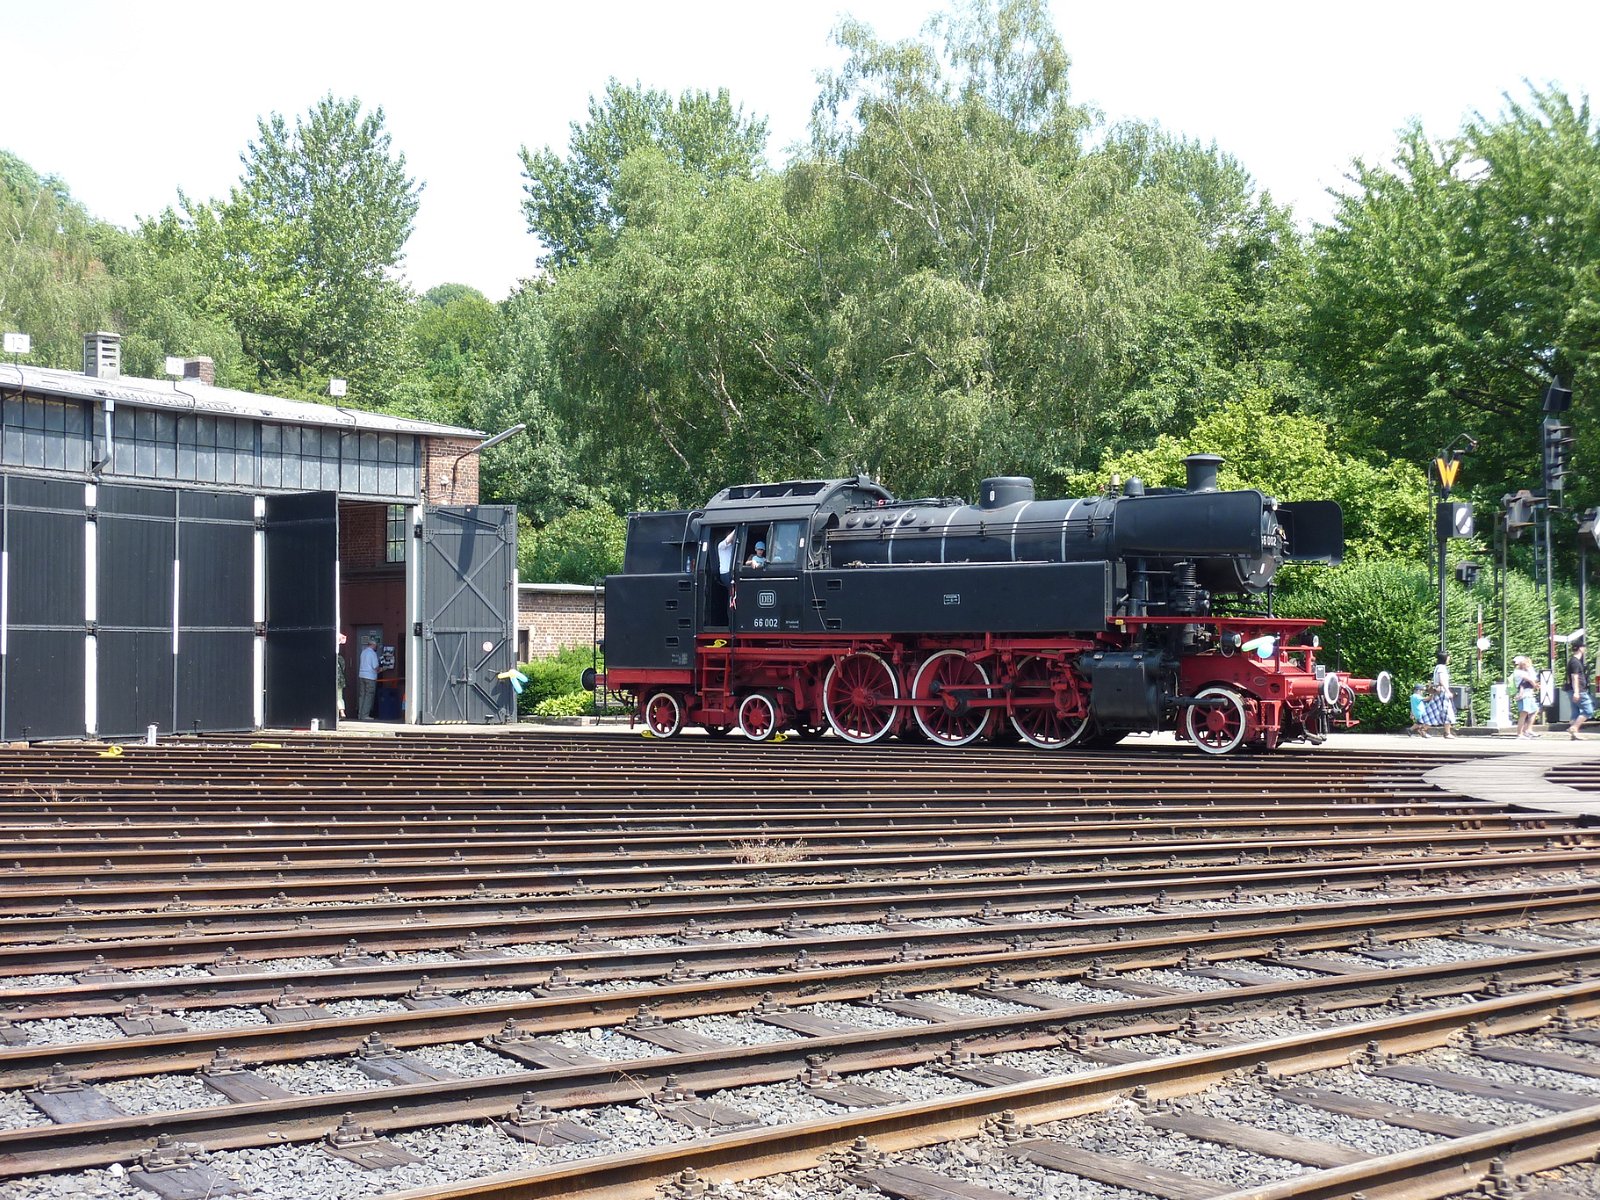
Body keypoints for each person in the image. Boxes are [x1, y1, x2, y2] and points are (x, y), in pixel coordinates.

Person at [1424, 651, 1457, 738]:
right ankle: (1423, 729)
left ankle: (1447, 732)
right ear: (1444, 658)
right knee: (1442, 712)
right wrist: (1448, 691)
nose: (1449, 658)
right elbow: (1442, 681)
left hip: (1440, 693)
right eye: (1448, 657)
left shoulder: (1438, 667)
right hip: (1442, 693)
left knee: (1437, 712)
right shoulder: (1441, 668)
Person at [1568, 634, 1592, 740]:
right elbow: (1575, 677)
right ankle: (1574, 727)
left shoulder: (1573, 661)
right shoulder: (1575, 662)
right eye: (1584, 647)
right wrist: (1577, 692)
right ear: (1580, 648)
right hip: (1579, 690)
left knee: (1575, 712)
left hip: (1572, 690)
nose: (1585, 649)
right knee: (1589, 710)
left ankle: (1574, 734)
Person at [1510, 654, 1539, 739]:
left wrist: (1530, 669)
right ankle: (1519, 733)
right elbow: (1529, 679)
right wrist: (1535, 686)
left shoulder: (1524, 671)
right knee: (1524, 713)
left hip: (1528, 694)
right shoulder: (1518, 672)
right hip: (1524, 695)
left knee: (1534, 710)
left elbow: (1533, 677)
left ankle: (1528, 730)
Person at [358, 634, 380, 720]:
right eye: (376, 645)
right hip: (370, 677)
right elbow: (375, 667)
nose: (376, 647)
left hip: (361, 675)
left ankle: (360, 714)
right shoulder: (372, 654)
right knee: (369, 696)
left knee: (362, 695)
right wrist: (381, 669)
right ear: (373, 645)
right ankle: (365, 715)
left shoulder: (363, 652)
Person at [336, 633, 348, 721]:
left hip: (333, 680)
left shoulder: (332, 658)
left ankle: (338, 713)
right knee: (340, 696)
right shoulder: (341, 659)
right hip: (341, 680)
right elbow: (343, 668)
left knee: (333, 697)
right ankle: (342, 712)